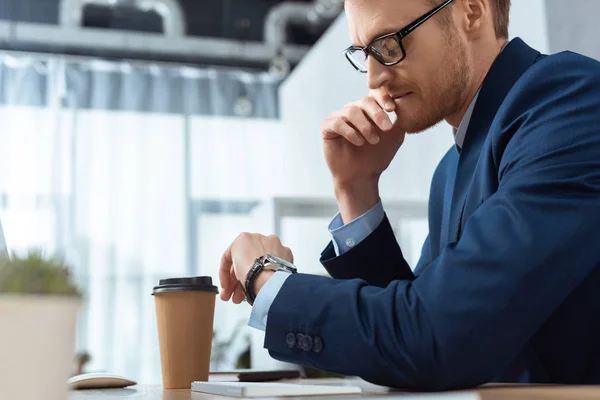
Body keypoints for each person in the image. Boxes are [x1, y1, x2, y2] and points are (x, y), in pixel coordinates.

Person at [219, 0, 600, 390]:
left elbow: (434, 339)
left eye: (389, 44)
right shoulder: (449, 173)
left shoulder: (571, 101)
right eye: (364, 53)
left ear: (471, 11)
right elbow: (407, 343)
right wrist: (357, 191)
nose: (373, 78)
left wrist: (265, 280)